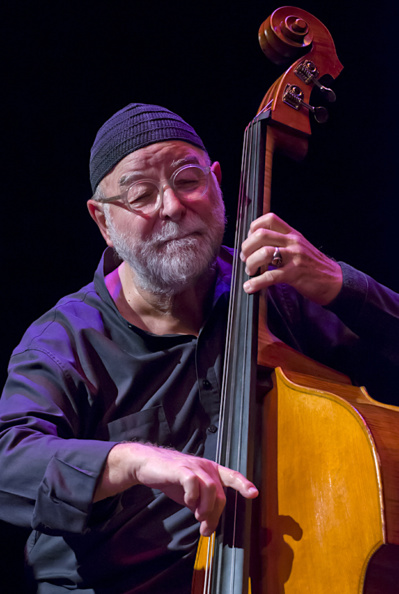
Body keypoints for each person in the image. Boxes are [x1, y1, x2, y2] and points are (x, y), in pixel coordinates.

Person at [1, 103, 399, 593]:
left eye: (187, 181)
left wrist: (340, 283)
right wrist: (130, 461)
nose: (171, 206)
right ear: (103, 221)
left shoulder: (271, 292)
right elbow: (9, 460)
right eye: (142, 195)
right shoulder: (65, 341)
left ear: (216, 182)